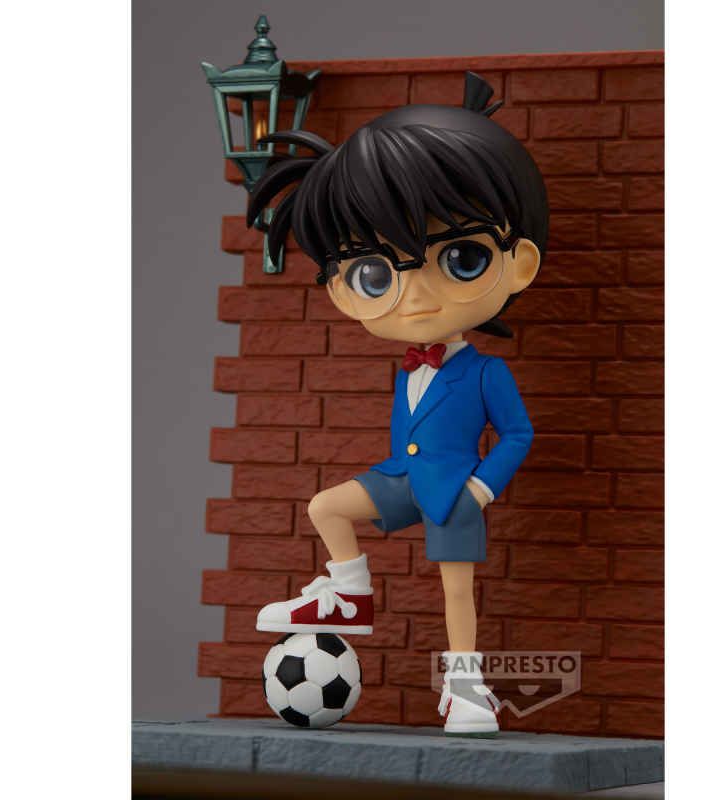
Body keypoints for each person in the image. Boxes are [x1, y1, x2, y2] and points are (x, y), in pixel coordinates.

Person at [246, 72, 549, 735]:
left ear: (519, 263)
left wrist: (481, 489)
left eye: (461, 257)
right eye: (375, 273)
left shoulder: (485, 371)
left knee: (456, 590)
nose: (414, 295)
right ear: (341, 290)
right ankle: (350, 592)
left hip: (454, 492)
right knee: (326, 506)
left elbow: (519, 435)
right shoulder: (408, 366)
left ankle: (466, 690)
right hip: (400, 479)